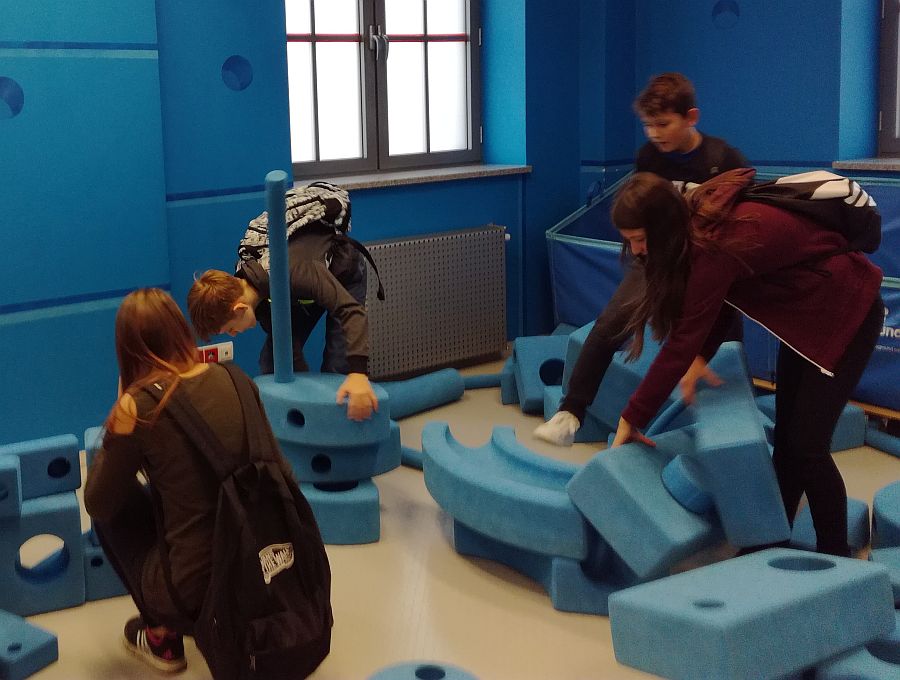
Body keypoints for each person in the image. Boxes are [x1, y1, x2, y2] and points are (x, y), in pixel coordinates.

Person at [608, 170, 883, 558]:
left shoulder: (712, 245)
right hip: (806, 318)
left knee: (807, 447)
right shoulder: (698, 224)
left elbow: (681, 342)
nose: (636, 250)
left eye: (640, 239)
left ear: (663, 227)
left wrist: (631, 418)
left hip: (846, 313)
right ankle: (773, 539)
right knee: (787, 440)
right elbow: (723, 297)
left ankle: (834, 559)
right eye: (629, 240)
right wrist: (701, 355)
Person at [84, 288, 308, 674]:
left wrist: (120, 414)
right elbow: (281, 473)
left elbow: (98, 503)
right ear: (180, 330)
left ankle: (162, 636)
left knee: (114, 507)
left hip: (197, 594)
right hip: (271, 568)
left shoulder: (139, 406)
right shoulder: (238, 380)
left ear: (128, 349)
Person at [536, 72, 748, 446]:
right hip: (654, 259)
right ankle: (570, 413)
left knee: (724, 338)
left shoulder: (722, 159)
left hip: (708, 262)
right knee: (609, 325)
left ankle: (735, 432)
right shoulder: (649, 157)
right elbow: (638, 209)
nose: (654, 133)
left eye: (663, 124)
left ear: (691, 117)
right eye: (648, 125)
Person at [188, 187, 378, 422]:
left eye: (230, 329)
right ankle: (308, 425)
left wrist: (358, 374)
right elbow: (289, 350)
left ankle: (345, 424)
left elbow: (351, 311)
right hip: (299, 293)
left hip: (342, 275)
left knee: (339, 365)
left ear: (239, 308)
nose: (234, 334)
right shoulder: (251, 286)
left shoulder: (295, 272)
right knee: (273, 361)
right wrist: (304, 402)